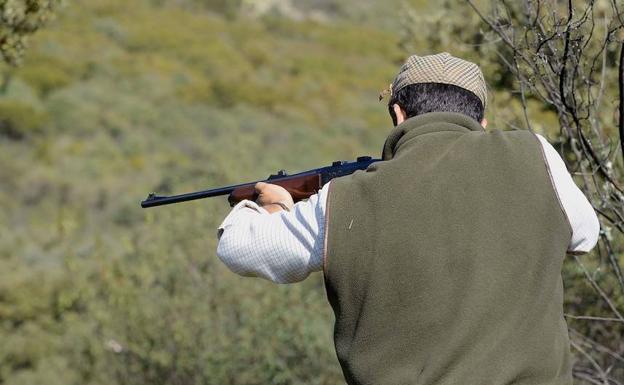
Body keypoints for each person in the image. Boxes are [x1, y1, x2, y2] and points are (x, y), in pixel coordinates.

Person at [216, 52, 600, 385]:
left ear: (398, 114)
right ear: (482, 121)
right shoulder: (536, 155)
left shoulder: (346, 197)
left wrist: (274, 205)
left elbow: (238, 246)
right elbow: (586, 235)